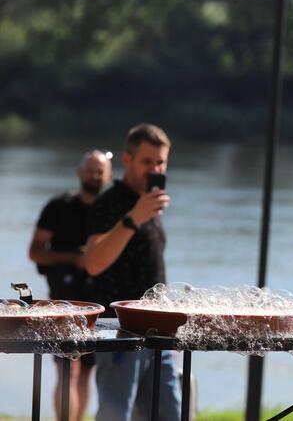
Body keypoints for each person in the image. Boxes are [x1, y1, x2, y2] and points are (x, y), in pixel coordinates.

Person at [84, 124, 181, 420]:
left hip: (160, 328)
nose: (154, 169)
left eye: (160, 162)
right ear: (127, 160)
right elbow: (93, 262)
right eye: (147, 162)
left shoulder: (151, 204)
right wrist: (132, 220)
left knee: (170, 413)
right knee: (116, 415)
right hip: (119, 331)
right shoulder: (109, 203)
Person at [28, 149, 112, 421]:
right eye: (90, 170)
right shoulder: (59, 207)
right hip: (64, 299)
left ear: (108, 175)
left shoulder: (112, 212)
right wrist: (74, 258)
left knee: (86, 369)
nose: (94, 176)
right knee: (67, 367)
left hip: (100, 299)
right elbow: (36, 251)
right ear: (79, 173)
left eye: (100, 171)